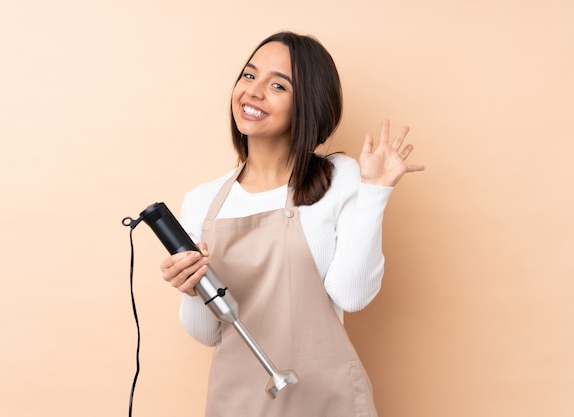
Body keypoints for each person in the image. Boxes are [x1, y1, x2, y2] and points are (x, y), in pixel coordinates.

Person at [160, 31, 424, 417]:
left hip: (327, 400)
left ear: (308, 105)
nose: (253, 91)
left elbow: (352, 295)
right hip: (240, 403)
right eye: (249, 76)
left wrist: (375, 193)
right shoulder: (203, 200)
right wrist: (190, 287)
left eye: (278, 85)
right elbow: (208, 334)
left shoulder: (340, 176)